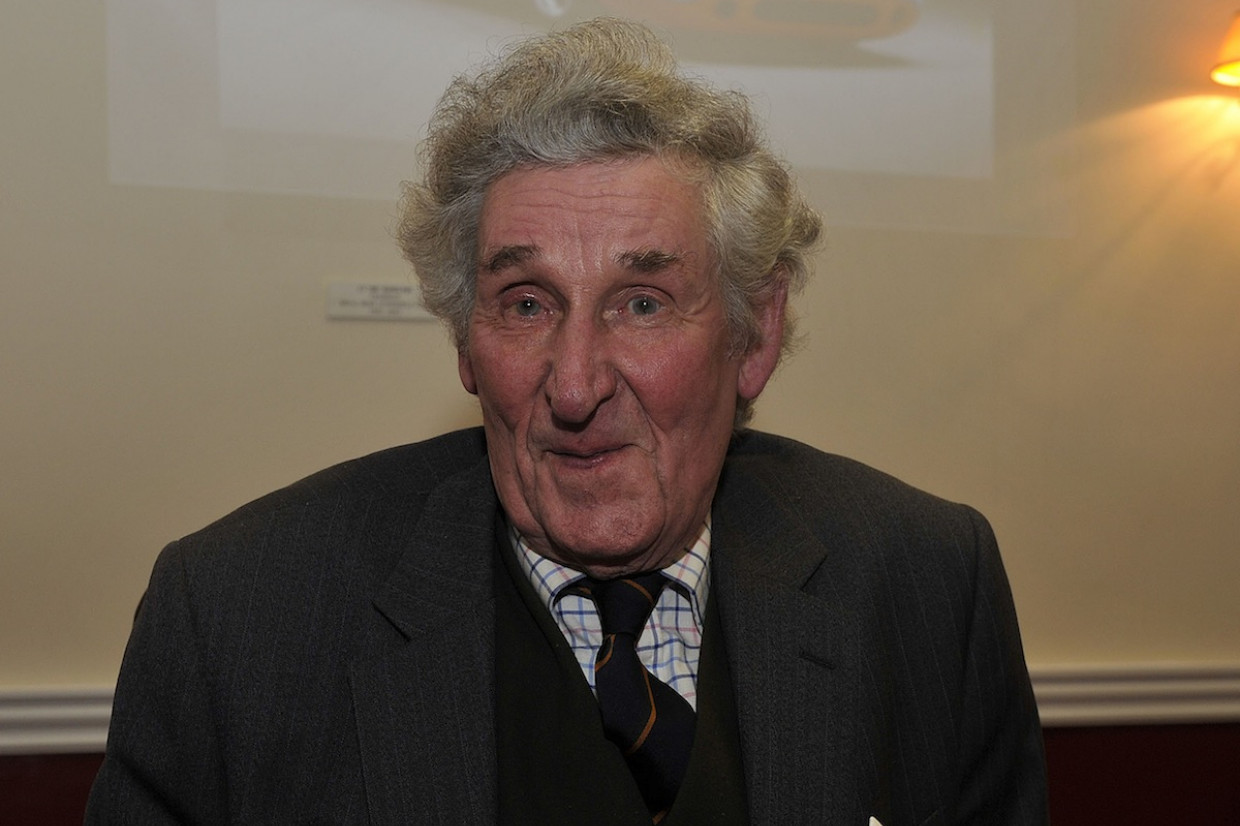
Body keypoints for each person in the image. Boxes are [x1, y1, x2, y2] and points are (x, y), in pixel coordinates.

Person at [87, 18, 1047, 825]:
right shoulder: (236, 617)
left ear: (754, 333)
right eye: (526, 304)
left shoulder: (927, 582)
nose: (577, 386)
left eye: (642, 303)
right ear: (466, 342)